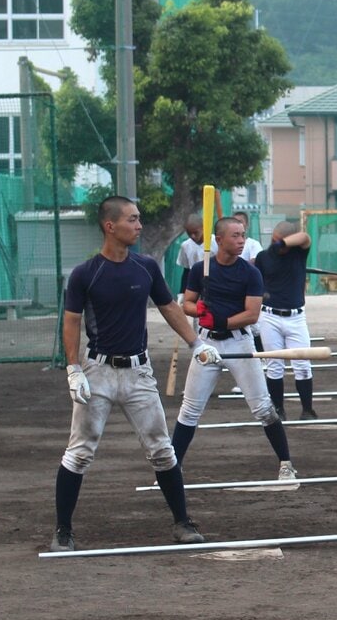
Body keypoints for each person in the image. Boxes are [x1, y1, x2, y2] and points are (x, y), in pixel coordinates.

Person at [52, 195, 221, 552]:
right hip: (96, 370)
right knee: (79, 452)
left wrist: (197, 344)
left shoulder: (145, 266)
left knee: (162, 450)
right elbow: (71, 322)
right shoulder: (86, 273)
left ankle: (182, 522)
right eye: (132, 219)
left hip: (138, 372)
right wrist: (73, 369)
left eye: (139, 218)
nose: (139, 225)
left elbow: (170, 308)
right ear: (110, 226)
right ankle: (63, 531)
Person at [171, 217, 297, 482]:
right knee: (190, 409)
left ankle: (286, 463)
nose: (241, 241)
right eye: (235, 236)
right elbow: (187, 304)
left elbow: (252, 315)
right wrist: (200, 311)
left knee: (263, 408)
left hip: (239, 341)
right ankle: (172, 468)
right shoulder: (199, 269)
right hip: (206, 343)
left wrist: (221, 321)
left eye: (243, 235)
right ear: (219, 240)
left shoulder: (250, 272)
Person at [253, 219, 317, 420]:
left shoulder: (298, 253)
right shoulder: (264, 256)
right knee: (274, 364)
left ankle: (307, 409)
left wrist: (285, 243)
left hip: (295, 317)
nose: (276, 245)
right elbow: (258, 279)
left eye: (279, 242)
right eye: (273, 240)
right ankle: (278, 409)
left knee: (303, 364)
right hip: (270, 315)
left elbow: (305, 237)